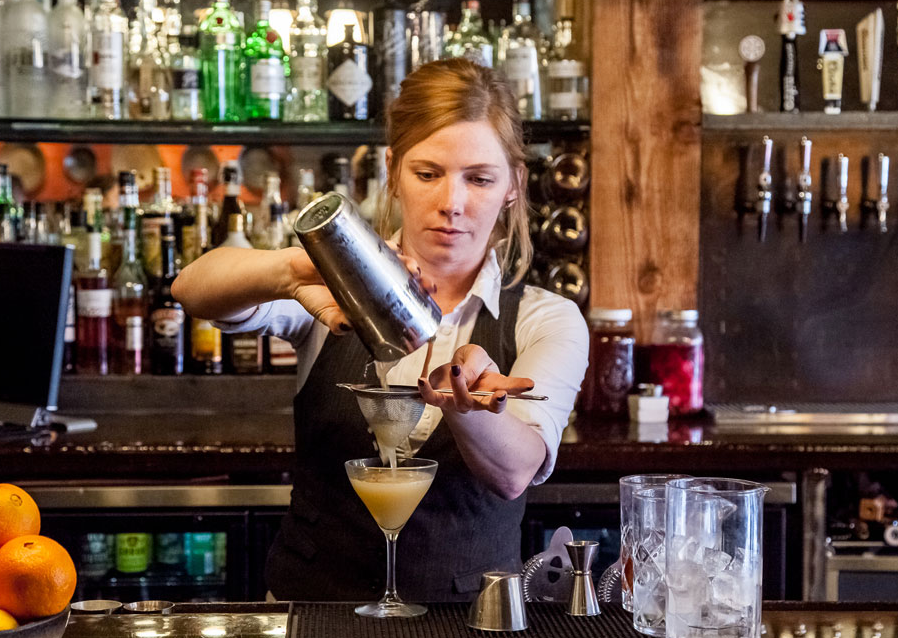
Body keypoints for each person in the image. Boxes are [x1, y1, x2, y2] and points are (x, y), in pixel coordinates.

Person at [174, 58, 588, 602]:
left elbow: (517, 471)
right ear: (393, 171)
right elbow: (192, 288)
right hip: (314, 617)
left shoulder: (546, 318)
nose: (452, 204)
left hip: (470, 634)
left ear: (514, 185)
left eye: (480, 179)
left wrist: (469, 411)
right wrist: (301, 269)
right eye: (428, 173)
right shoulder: (335, 296)